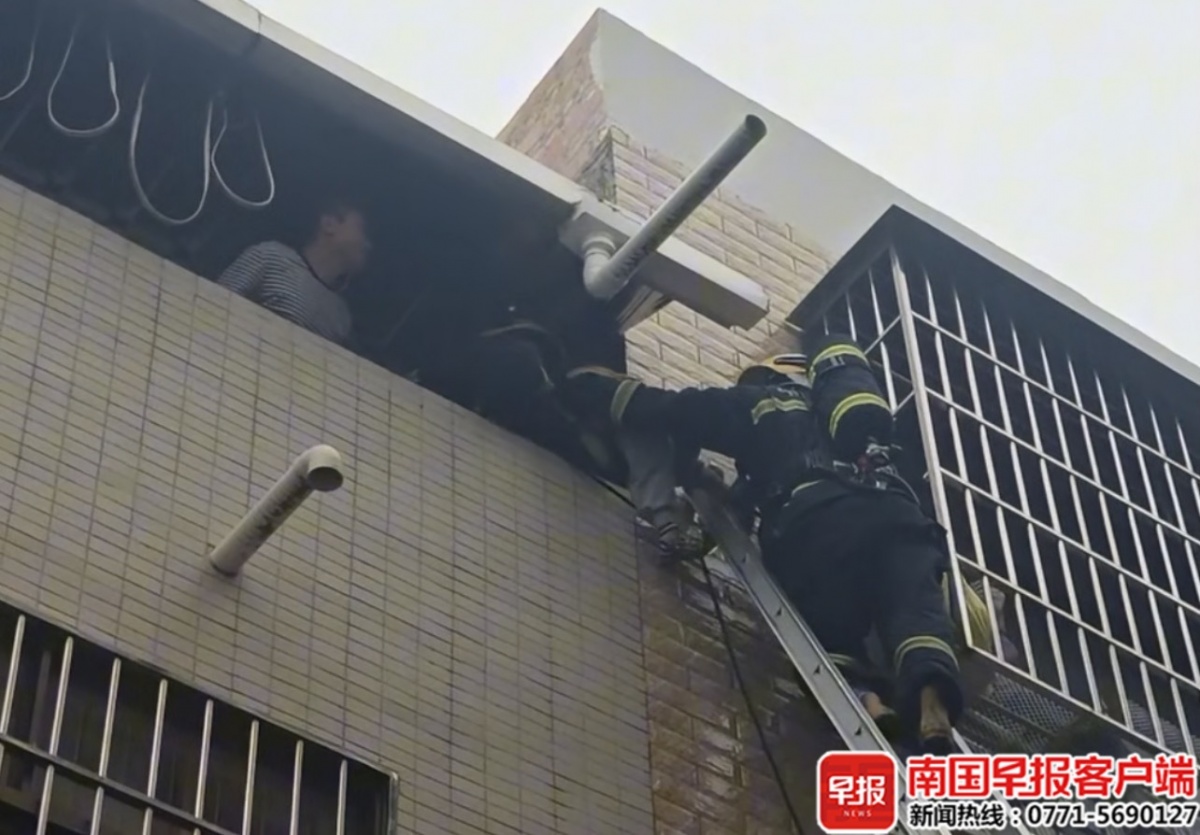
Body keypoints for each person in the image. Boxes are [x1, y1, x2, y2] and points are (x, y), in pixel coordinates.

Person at [562, 331, 965, 752]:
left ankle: (868, 701)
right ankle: (931, 701)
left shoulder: (761, 404)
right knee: (915, 611)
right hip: (899, 519)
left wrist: (594, 389)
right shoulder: (866, 429)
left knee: (828, 632)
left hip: (817, 523)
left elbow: (673, 410)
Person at [449, 311, 710, 562]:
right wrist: (666, 518)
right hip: (584, 457)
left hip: (597, 459)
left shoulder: (580, 390)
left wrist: (677, 509)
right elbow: (647, 437)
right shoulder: (583, 396)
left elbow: (655, 435)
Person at [217, 197, 370, 348]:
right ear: (329, 224)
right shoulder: (271, 257)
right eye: (360, 228)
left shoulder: (341, 316)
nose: (367, 244)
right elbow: (217, 304)